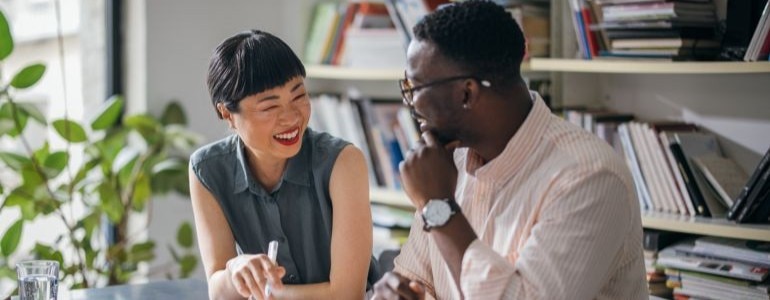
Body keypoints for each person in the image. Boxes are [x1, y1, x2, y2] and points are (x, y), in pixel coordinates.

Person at [372, 1, 648, 299]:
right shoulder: (448, 161)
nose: (410, 103)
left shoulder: (588, 178)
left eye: (415, 88)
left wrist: (439, 207)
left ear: (466, 93)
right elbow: (415, 279)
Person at [189, 29, 379, 299]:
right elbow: (218, 290)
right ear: (227, 114)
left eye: (299, 96)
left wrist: (265, 293)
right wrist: (235, 271)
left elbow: (347, 294)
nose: (291, 117)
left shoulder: (343, 162)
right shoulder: (207, 170)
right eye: (269, 107)